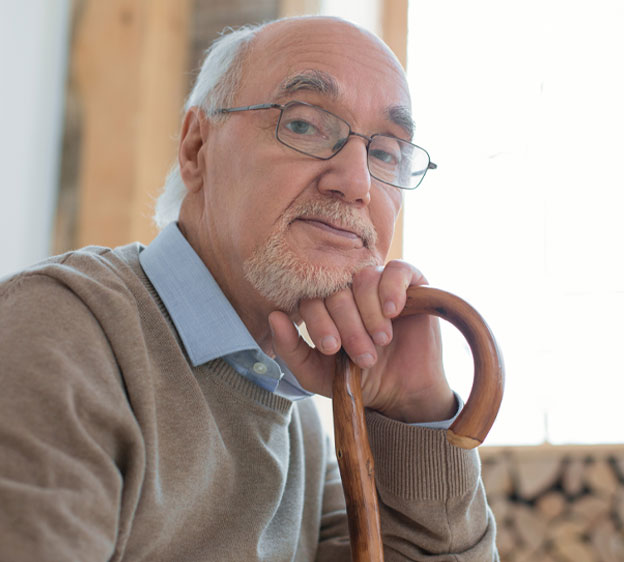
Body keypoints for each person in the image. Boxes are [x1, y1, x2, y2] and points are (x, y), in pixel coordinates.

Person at [0, 15, 498, 561]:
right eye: (305, 124)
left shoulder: (299, 414)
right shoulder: (59, 334)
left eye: (385, 153)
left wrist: (415, 414)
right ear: (196, 148)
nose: (356, 183)